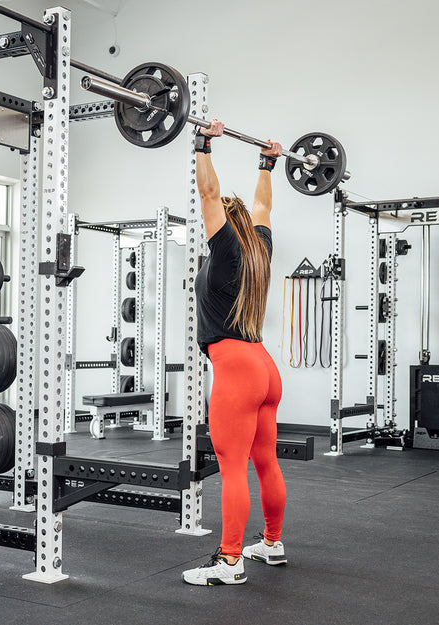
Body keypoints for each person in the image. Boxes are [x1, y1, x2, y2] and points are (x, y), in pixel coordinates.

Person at [181, 120, 287, 586]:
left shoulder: (224, 247)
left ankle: (229, 561)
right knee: (265, 461)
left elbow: (208, 195)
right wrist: (268, 163)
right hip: (264, 364)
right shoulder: (259, 246)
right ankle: (271, 542)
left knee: (231, 468)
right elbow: (263, 202)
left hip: (235, 368)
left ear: (224, 220)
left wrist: (202, 145)